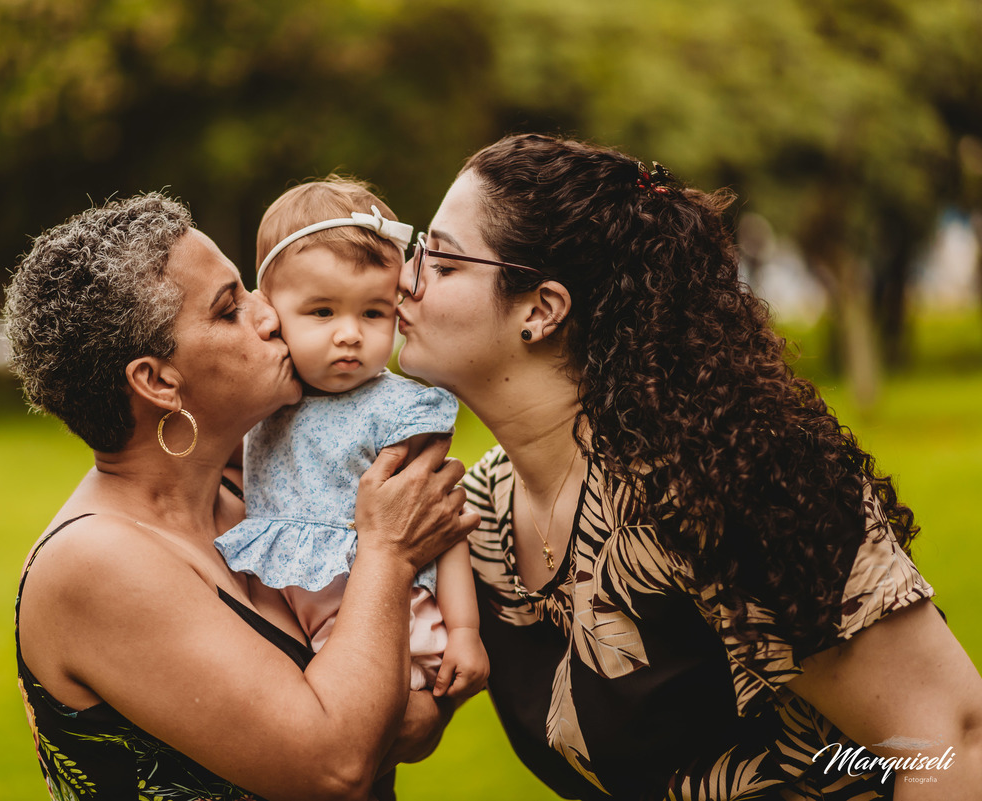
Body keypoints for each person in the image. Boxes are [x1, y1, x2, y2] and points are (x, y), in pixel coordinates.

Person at [395, 133, 982, 799]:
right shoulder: (477, 516)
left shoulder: (717, 484)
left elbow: (950, 737)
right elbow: (385, 736)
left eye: (440, 262)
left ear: (541, 309)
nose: (401, 279)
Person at [2, 192, 478, 801]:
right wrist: (387, 554)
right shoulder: (94, 563)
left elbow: (403, 719)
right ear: (157, 381)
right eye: (231, 309)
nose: (270, 315)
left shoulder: (254, 501)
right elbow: (336, 768)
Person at [215, 177, 489, 698]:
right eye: (322, 311)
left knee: (353, 732)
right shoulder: (262, 401)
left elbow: (442, 525)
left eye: (373, 312)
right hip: (287, 621)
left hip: (392, 623)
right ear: (269, 312)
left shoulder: (396, 410)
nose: (349, 333)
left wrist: (464, 633)